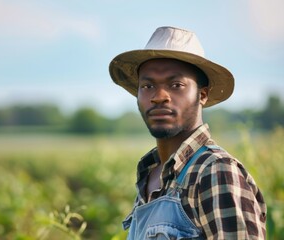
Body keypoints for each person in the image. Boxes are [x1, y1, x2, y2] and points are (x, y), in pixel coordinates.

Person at [109, 26, 266, 239]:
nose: (159, 96)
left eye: (176, 85)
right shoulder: (152, 173)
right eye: (147, 86)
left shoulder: (215, 172)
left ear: (202, 95)